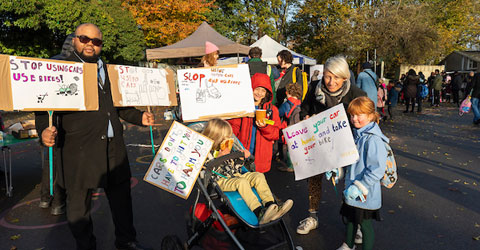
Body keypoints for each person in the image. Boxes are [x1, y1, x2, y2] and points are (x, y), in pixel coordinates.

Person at [35, 23, 154, 250]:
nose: (90, 45)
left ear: (101, 45)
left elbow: (120, 106)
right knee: (79, 207)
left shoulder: (109, 71)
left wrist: (140, 117)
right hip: (78, 150)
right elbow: (43, 108)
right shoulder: (60, 70)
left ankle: (126, 240)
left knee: (122, 202)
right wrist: (44, 131)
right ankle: (86, 245)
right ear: (75, 41)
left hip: (113, 148)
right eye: (85, 39)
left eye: (96, 41)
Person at [298, 55, 366, 235]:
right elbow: (304, 108)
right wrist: (306, 117)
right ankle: (312, 216)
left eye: (336, 77)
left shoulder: (356, 94)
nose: (331, 81)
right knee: (313, 180)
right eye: (328, 76)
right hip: (318, 145)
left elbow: (365, 117)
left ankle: (354, 222)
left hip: (346, 146)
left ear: (345, 78)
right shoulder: (314, 88)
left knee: (350, 182)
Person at [202, 118, 293, 224]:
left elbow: (235, 168)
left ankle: (271, 205)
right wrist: (220, 157)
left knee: (258, 176)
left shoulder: (229, 148)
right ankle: (259, 212)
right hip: (220, 180)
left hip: (234, 175)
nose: (229, 140)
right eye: (226, 138)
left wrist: (240, 159)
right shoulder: (207, 153)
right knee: (242, 182)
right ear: (217, 138)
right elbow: (207, 170)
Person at [333, 96, 387, 250]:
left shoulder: (373, 140)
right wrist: (338, 169)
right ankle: (348, 245)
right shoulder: (358, 134)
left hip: (365, 193)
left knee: (364, 225)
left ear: (370, 115)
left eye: (359, 115)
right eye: (352, 115)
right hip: (352, 189)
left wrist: (360, 186)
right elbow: (350, 159)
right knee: (350, 219)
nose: (354, 119)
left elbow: (377, 169)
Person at [38, 33, 75, 215]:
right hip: (66, 118)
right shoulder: (76, 66)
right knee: (61, 162)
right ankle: (58, 201)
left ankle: (46, 198)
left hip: (48, 116)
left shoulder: (50, 63)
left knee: (50, 160)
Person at [228, 73, 281, 173]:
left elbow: (275, 134)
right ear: (251, 88)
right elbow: (233, 129)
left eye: (263, 90)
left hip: (261, 159)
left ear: (267, 93)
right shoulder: (242, 108)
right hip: (242, 154)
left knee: (257, 184)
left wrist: (265, 127)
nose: (259, 93)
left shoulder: (272, 110)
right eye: (257, 89)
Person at [277, 82, 303, 172]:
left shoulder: (287, 104)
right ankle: (297, 164)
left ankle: (290, 166)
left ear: (288, 93)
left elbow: (278, 113)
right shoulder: (300, 103)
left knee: (288, 148)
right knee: (296, 147)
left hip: (289, 129)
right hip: (299, 129)